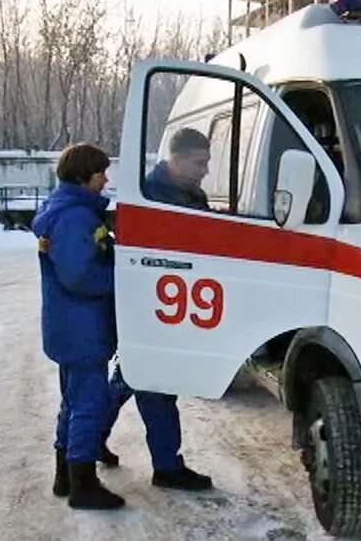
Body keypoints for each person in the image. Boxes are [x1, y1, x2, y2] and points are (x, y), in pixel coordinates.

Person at [99, 127, 213, 491]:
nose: (205, 170)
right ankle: (167, 466)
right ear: (176, 160)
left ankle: (85, 440)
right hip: (153, 306)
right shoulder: (155, 196)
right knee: (156, 386)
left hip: (167, 306)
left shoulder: (185, 193)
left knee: (130, 378)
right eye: (200, 162)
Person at [33, 143, 125, 510]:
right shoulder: (74, 219)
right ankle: (83, 485)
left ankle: (65, 475)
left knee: (73, 401)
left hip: (69, 326)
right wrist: (122, 277)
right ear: (83, 175)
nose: (106, 179)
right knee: (89, 402)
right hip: (81, 327)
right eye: (101, 172)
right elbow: (80, 276)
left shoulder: (72, 211)